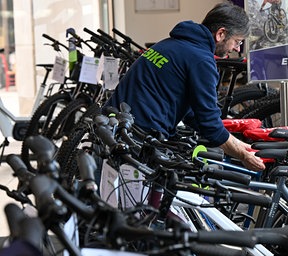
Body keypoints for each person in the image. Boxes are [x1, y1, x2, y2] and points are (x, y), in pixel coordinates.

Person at [105, 2, 265, 171]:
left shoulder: (169, 44)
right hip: (137, 137)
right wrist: (244, 153)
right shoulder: (201, 60)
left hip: (113, 126)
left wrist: (223, 131)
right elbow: (210, 125)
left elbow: (189, 110)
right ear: (221, 34)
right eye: (237, 42)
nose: (236, 49)